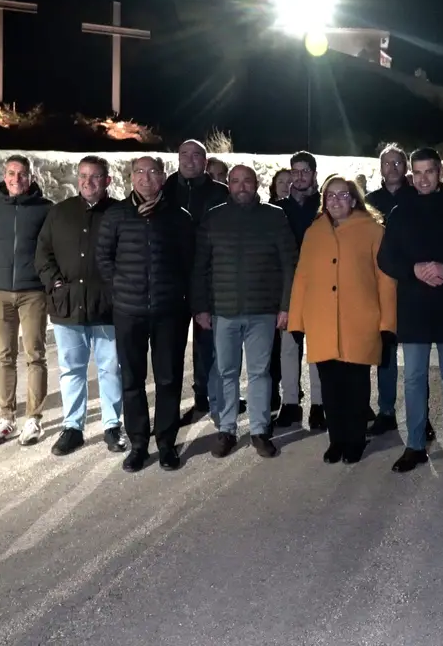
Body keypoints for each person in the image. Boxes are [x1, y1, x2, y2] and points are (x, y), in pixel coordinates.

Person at [378, 147, 443, 476]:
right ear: (412, 175)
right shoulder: (400, 212)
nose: (423, 178)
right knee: (413, 379)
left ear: (440, 173)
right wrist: (415, 269)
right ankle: (414, 447)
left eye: (430, 171)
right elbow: (386, 258)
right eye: (418, 172)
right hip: (414, 309)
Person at [97, 156, 196, 473]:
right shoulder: (116, 215)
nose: (146, 178)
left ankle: (166, 443)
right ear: (130, 178)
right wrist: (122, 289)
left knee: (168, 378)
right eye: (139, 172)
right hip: (129, 312)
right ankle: (139, 443)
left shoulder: (179, 217)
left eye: (153, 172)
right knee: (132, 380)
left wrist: (180, 295)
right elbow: (103, 257)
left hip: (170, 312)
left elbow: (189, 263)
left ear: (163, 177)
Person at [193, 165, 298, 459]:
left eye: (247, 181)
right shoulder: (213, 218)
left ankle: (259, 430)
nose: (241, 187)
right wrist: (200, 307)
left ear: (256, 184)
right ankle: (227, 429)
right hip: (223, 311)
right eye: (236, 181)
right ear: (228, 184)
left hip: (262, 312)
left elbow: (290, 263)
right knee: (225, 371)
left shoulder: (274, 216)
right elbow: (200, 266)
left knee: (259, 373)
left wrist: (286, 305)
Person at [290, 175, 396, 464]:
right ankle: (336, 439)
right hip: (322, 321)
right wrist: (297, 322)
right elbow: (302, 278)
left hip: (360, 321)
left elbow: (385, 280)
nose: (336, 201)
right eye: (331, 196)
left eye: (343, 195)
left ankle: (355, 440)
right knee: (330, 387)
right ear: (324, 201)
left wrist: (387, 324)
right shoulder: (314, 232)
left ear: (354, 199)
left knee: (356, 386)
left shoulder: (374, 231)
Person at [35, 155, 125, 456]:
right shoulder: (59, 213)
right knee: (71, 370)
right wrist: (56, 284)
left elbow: (130, 255)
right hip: (67, 307)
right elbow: (43, 254)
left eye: (96, 176)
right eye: (83, 176)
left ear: (107, 180)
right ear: (77, 179)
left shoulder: (120, 213)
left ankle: (113, 426)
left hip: (108, 307)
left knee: (111, 368)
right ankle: (73, 427)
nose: (88, 182)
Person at [0, 155, 53, 446]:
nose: (16, 179)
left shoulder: (46, 210)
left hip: (33, 292)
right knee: (5, 356)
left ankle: (33, 419)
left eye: (22, 174)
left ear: (31, 177)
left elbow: (50, 247)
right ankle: (6, 419)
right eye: (11, 173)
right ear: (4, 176)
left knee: (35, 354)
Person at [162, 139, 230, 418]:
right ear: (178, 158)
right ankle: (170, 407)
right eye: (184, 155)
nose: (189, 160)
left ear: (205, 161)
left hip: (209, 279)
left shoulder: (220, 192)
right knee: (171, 347)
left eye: (196, 156)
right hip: (172, 280)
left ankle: (207, 397)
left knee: (209, 345)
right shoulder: (164, 188)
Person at [364, 143, 417, 436]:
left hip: (411, 286)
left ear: (405, 167)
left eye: (398, 163)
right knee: (384, 354)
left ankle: (418, 414)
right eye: (388, 163)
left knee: (415, 356)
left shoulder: (417, 197)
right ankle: (386, 411)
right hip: (379, 287)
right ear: (380, 167)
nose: (393, 168)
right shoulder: (370, 201)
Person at [273, 151, 325, 430]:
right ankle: (290, 403)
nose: (300, 176)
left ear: (314, 175)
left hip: (319, 288)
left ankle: (318, 404)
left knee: (317, 349)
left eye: (306, 171)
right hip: (289, 289)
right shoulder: (278, 208)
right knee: (289, 349)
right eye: (296, 171)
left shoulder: (325, 207)